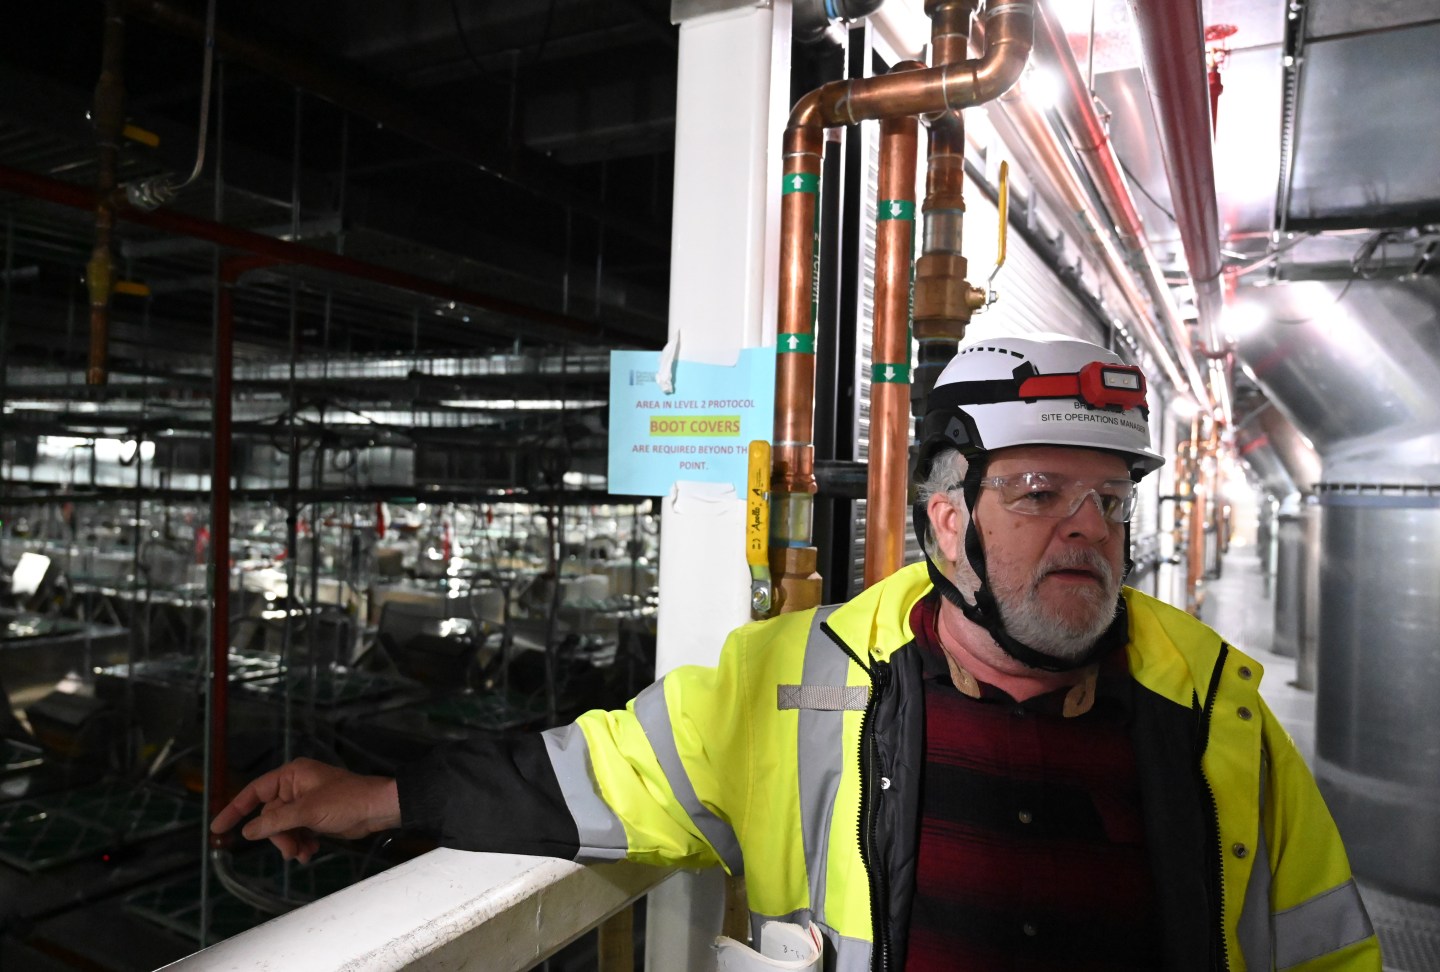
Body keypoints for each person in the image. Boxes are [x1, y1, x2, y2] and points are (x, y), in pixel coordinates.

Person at [213, 333, 1380, 970]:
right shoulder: (801, 683)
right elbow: (590, 773)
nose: (1090, 530)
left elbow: (1326, 955)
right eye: (1037, 493)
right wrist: (378, 797)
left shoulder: (1219, 722)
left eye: (1111, 502)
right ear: (943, 519)